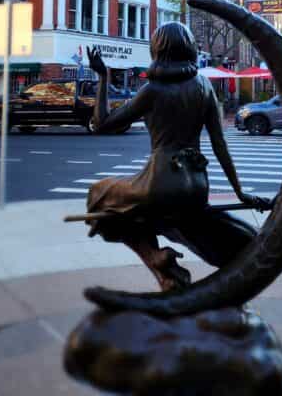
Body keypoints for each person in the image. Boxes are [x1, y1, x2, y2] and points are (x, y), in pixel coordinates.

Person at [82, 24, 267, 291]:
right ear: (190, 48)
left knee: (99, 195)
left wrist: (103, 77)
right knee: (138, 212)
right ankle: (163, 269)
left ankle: (155, 256)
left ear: (157, 49)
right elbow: (220, 144)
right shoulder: (204, 86)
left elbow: (102, 124)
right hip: (196, 184)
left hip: (161, 183)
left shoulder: (152, 90)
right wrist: (240, 192)